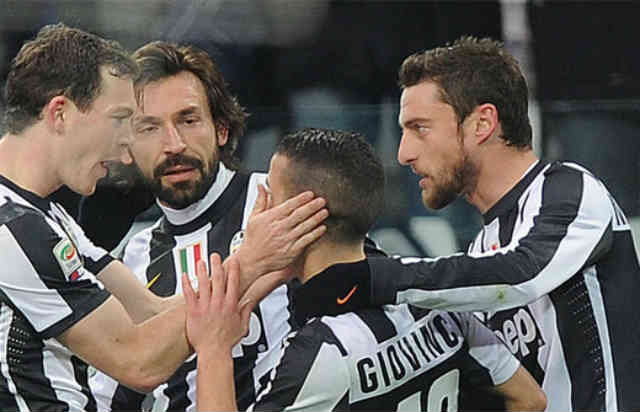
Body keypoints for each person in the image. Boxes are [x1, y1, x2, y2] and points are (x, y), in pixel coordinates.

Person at [0, 24, 327, 411]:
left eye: (187, 121)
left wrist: (261, 269)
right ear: (60, 113)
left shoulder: (45, 213)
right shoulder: (13, 229)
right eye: (121, 119)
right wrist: (250, 261)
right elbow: (138, 360)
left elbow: (151, 312)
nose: (126, 148)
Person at [341, 36, 639, 411]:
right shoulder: (482, 251)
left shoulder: (570, 190)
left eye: (420, 128)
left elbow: (521, 274)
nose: (403, 154)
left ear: (482, 122)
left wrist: (377, 277)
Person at [185, 127, 547, 412]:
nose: (259, 212)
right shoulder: (434, 305)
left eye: (270, 198)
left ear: (305, 216)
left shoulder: (322, 352)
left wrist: (213, 348)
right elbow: (530, 400)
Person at [88, 41, 334, 412]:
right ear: (127, 148)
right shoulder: (133, 258)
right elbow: (114, 396)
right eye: (149, 127)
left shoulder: (282, 202)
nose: (173, 145)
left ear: (221, 129)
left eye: (188, 120)